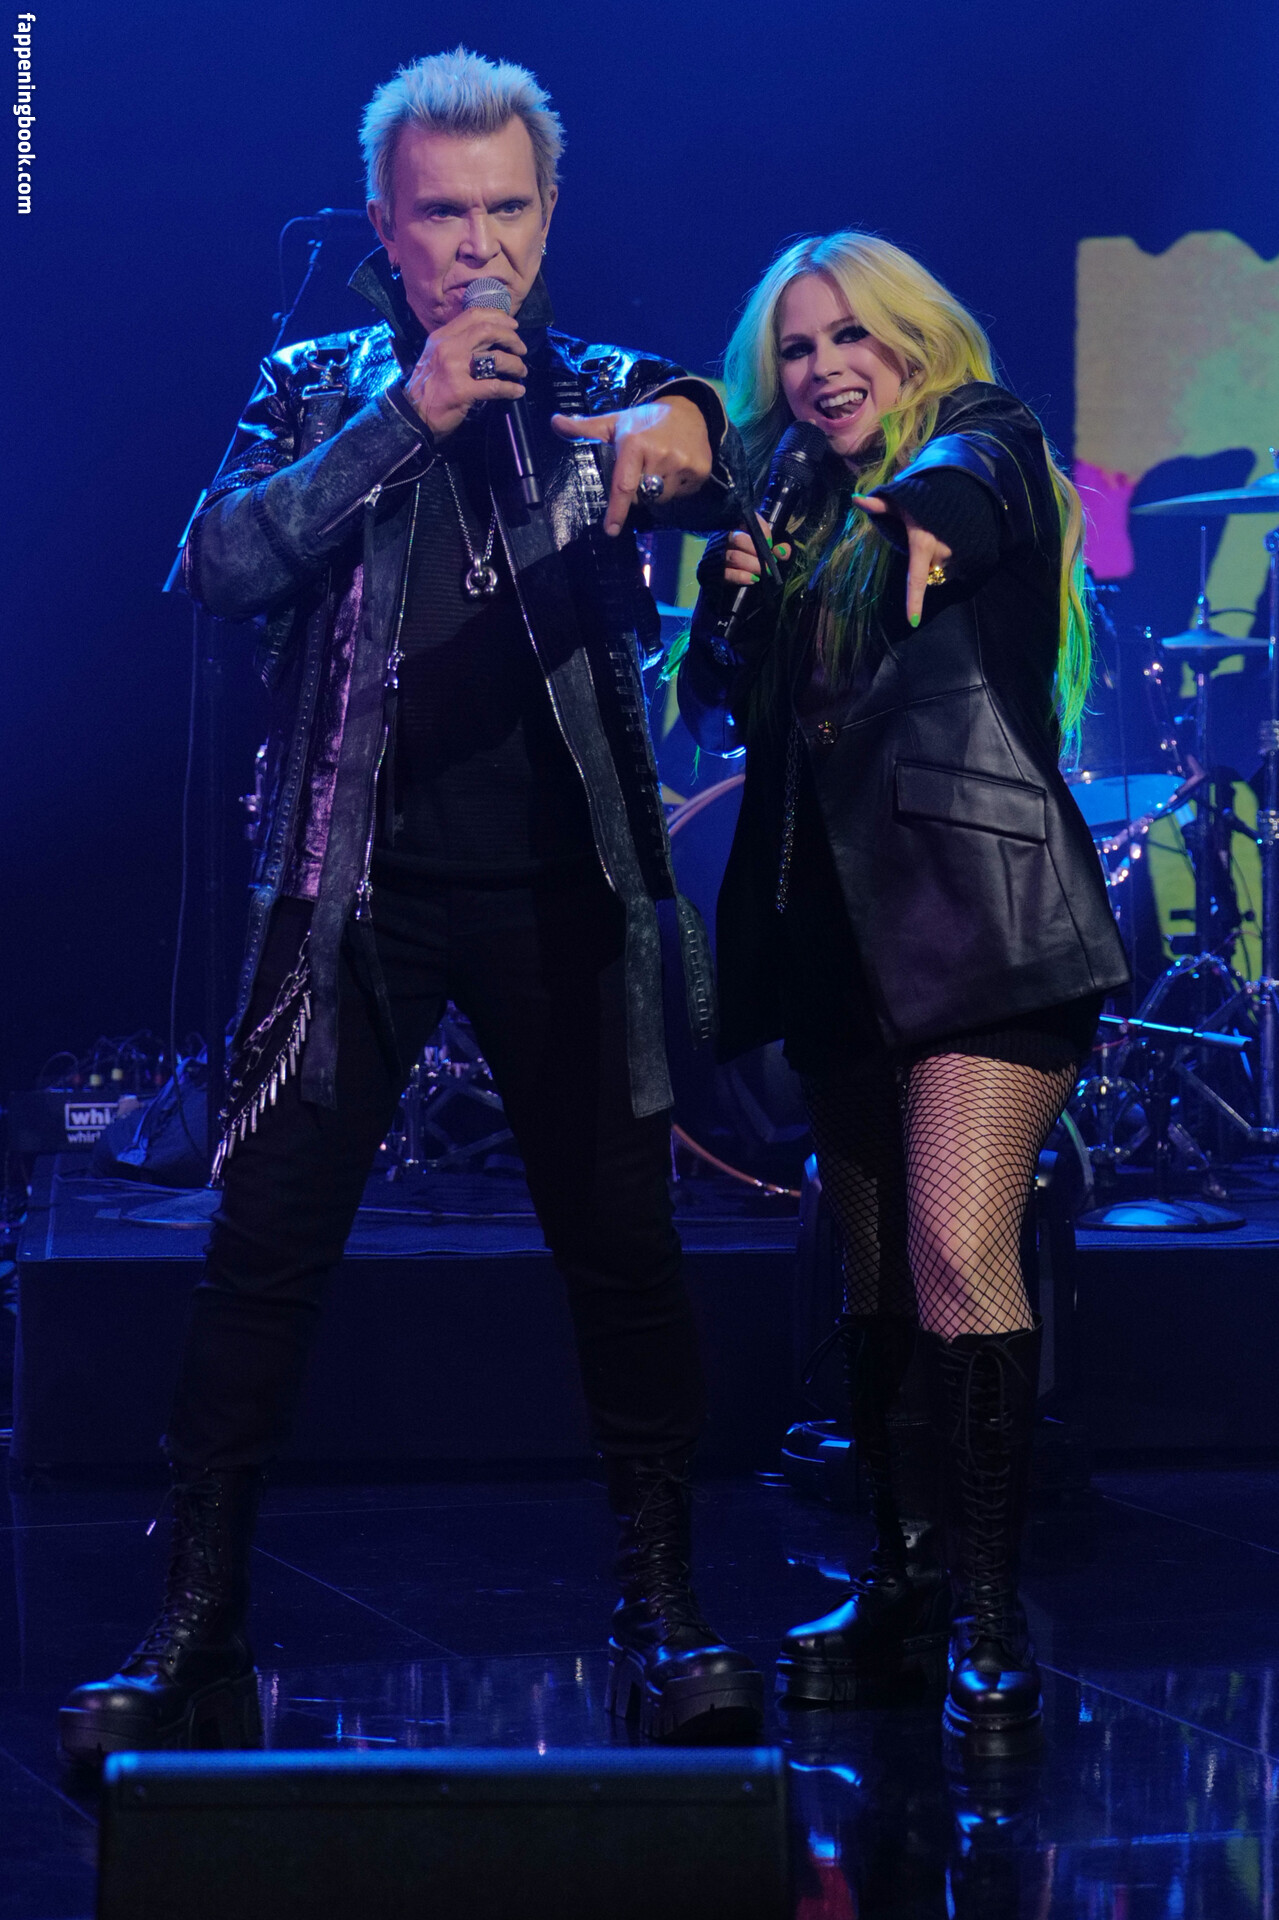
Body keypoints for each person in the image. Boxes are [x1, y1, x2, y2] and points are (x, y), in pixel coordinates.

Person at [59, 48, 765, 1762]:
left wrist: (692, 443)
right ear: (384, 226)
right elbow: (218, 564)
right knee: (261, 1257)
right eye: (442, 214)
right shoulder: (316, 387)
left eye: (506, 209)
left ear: (550, 213)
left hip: (566, 892)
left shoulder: (605, 386)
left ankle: (663, 1608)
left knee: (625, 1257)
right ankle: (196, 1628)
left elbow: (710, 452)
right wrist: (411, 415)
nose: (478, 245)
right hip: (348, 893)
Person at [678, 231, 1128, 1760]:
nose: (825, 368)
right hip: (838, 944)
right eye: (799, 348)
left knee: (954, 1244)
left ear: (914, 340)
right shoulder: (788, 509)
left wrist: (918, 521)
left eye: (852, 336)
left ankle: (992, 1624)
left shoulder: (982, 440)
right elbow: (724, 706)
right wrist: (735, 605)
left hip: (988, 930)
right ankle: (905, 1580)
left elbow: (969, 497)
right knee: (873, 1282)